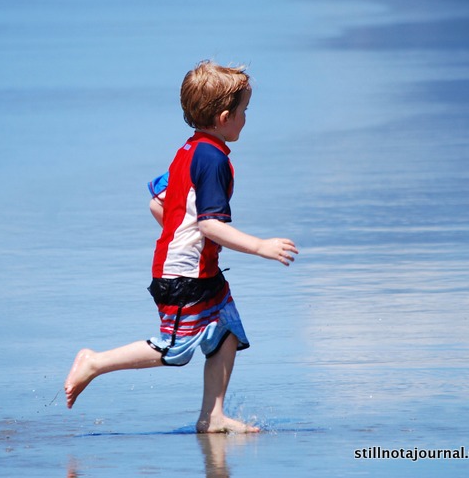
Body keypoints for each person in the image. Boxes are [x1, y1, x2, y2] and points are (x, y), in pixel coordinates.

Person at [64, 60, 298, 434]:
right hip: (182, 275)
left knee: (226, 332)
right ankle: (95, 362)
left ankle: (213, 416)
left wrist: (180, 229)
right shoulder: (213, 160)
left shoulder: (189, 150)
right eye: (243, 112)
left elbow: (158, 200)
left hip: (200, 270)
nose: (245, 119)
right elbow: (209, 223)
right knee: (174, 350)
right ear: (224, 117)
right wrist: (260, 246)